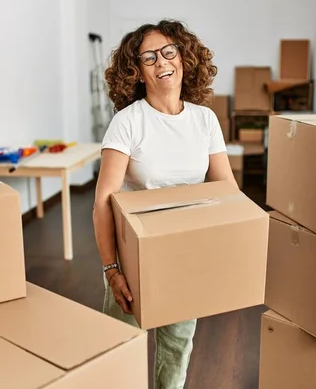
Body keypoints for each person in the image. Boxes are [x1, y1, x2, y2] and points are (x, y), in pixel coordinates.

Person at [92, 19, 238, 389]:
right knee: (118, 350)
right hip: (133, 254)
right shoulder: (128, 123)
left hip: (184, 251)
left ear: (184, 58)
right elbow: (103, 202)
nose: (162, 61)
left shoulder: (205, 120)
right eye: (149, 57)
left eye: (169, 51)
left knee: (176, 350)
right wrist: (112, 269)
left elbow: (227, 191)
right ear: (138, 72)